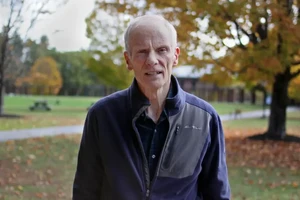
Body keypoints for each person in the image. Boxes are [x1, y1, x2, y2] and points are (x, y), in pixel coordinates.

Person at [72, 14, 230, 200]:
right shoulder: (102, 115)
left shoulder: (205, 119)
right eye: (142, 51)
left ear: (175, 55)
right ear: (128, 60)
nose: (152, 60)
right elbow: (85, 191)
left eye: (162, 50)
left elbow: (217, 194)